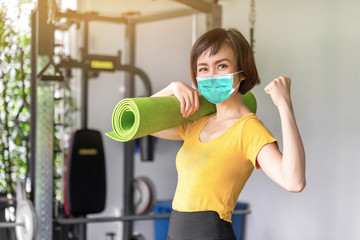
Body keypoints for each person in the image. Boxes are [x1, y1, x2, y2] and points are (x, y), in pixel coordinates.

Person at [151, 28, 305, 240]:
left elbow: (294, 181)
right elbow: (145, 126)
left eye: (221, 66)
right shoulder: (196, 121)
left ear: (242, 71)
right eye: (203, 68)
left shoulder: (248, 129)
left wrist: (284, 105)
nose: (212, 75)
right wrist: (172, 88)